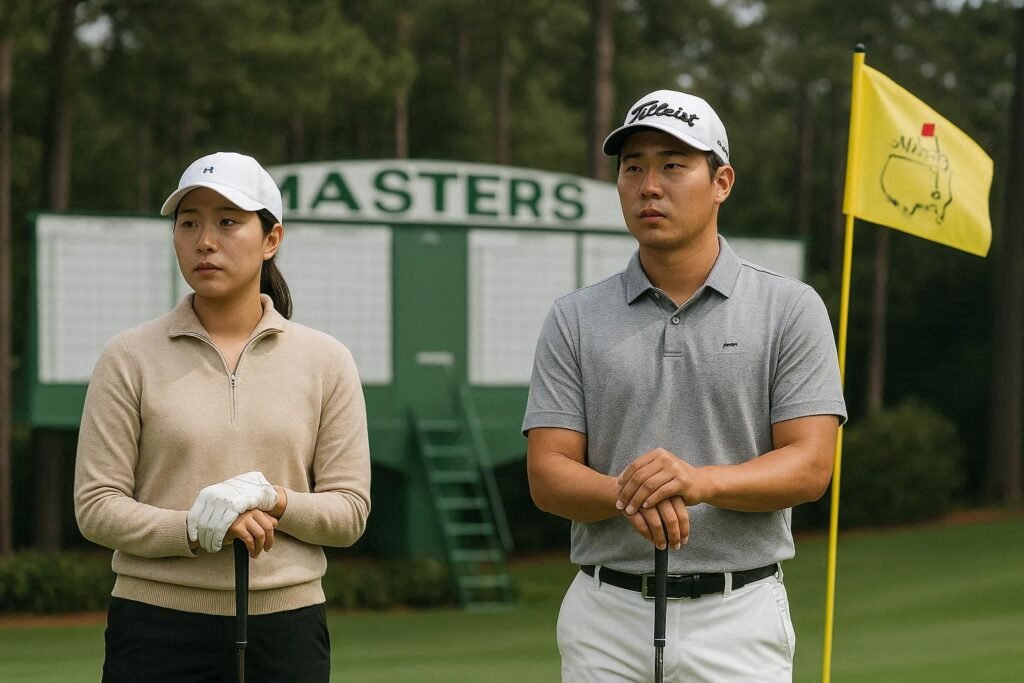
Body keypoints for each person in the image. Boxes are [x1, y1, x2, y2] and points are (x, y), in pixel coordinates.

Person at [523, 90, 846, 682]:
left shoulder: (790, 307)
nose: (649, 186)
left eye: (673, 165)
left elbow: (810, 466)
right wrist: (633, 494)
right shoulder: (574, 317)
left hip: (738, 615)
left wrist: (699, 482)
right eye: (633, 168)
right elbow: (548, 473)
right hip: (604, 615)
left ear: (722, 182)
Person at [74, 151, 371, 682]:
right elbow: (97, 506)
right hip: (155, 628)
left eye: (228, 222)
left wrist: (271, 498)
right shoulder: (129, 356)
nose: (205, 241)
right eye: (189, 223)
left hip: (287, 631)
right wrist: (196, 527)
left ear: (271, 239)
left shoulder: (326, 360)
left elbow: (349, 512)